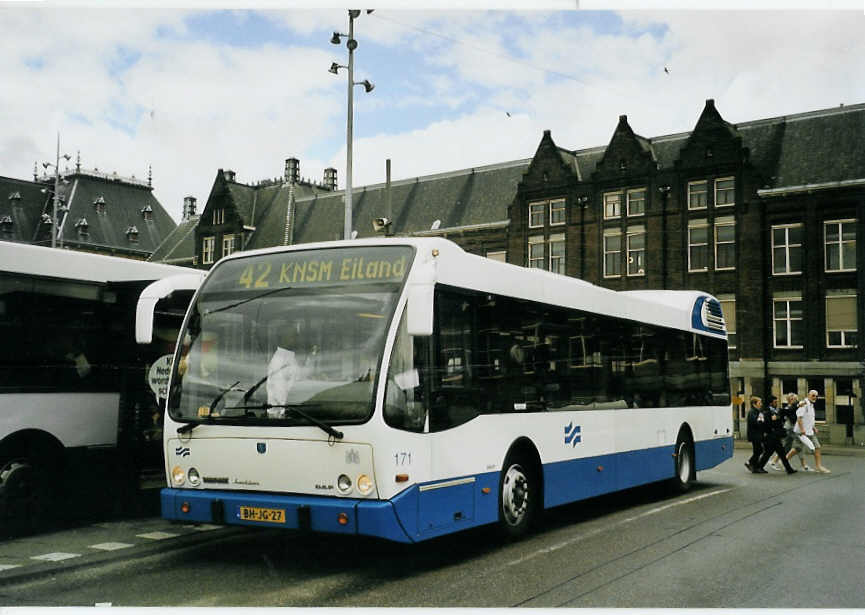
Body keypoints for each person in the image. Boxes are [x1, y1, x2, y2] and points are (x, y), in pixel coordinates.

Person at [786, 389, 831, 473]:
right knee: (799, 448)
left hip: (809, 431)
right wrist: (802, 430)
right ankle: (785, 461)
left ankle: (818, 466)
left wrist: (813, 427)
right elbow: (799, 418)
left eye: (816, 396)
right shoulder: (804, 404)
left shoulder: (811, 405)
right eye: (813, 395)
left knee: (814, 447)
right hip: (801, 432)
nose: (815, 397)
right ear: (808, 395)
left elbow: (810, 418)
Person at [758, 395, 797, 474]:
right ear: (770, 403)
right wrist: (772, 420)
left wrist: (796, 405)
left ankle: (759, 467)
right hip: (771, 435)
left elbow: (787, 412)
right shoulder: (765, 412)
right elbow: (763, 424)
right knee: (778, 452)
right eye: (775, 402)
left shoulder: (778, 410)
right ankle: (789, 469)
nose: (776, 403)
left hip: (776, 435)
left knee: (771, 453)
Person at [745, 396, 768, 473]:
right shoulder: (752, 412)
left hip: (757, 434)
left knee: (758, 450)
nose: (761, 404)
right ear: (754, 404)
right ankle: (750, 462)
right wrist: (761, 419)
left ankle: (754, 467)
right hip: (755, 435)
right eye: (759, 403)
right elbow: (755, 423)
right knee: (759, 450)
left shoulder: (757, 411)